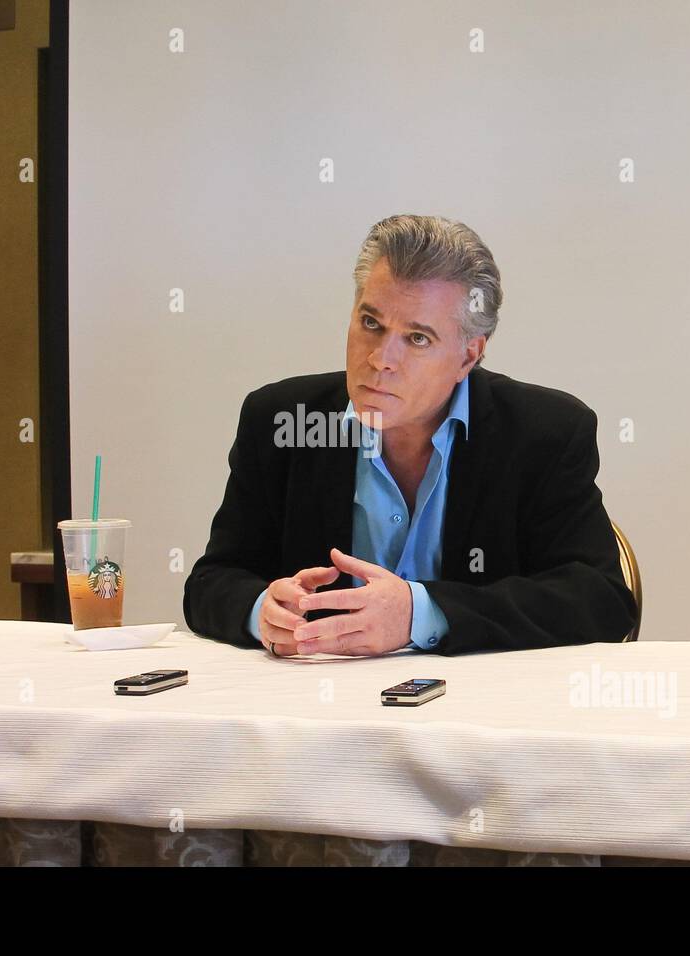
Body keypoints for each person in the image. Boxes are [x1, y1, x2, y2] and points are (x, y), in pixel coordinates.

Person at [184, 214, 636, 656]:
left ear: (467, 357)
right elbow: (212, 581)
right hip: (316, 707)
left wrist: (421, 614)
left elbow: (599, 599)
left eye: (417, 338)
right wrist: (263, 610)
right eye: (370, 323)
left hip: (479, 713)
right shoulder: (282, 420)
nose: (381, 358)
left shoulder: (544, 432)